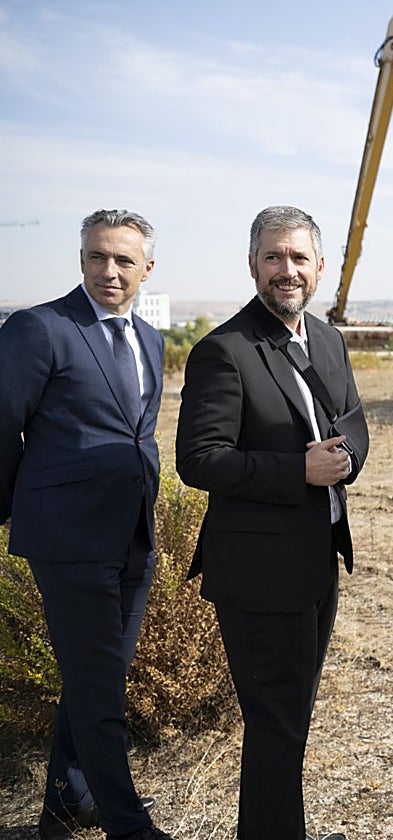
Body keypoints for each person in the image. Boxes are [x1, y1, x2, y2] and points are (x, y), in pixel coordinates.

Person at [176, 206, 368, 840]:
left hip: (317, 564)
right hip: (258, 575)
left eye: (299, 258)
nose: (287, 270)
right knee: (276, 727)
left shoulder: (329, 339)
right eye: (273, 257)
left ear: (319, 267)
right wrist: (296, 472)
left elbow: (355, 423)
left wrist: (347, 459)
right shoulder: (224, 350)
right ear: (253, 263)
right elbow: (199, 460)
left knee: (292, 721)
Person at [0, 210, 170, 840]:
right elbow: (2, 425)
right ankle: (130, 826)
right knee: (101, 689)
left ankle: (65, 807)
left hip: (132, 535)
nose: (109, 270)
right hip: (68, 540)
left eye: (124, 260)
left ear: (146, 269)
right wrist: (12, 506)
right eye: (98, 256)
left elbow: (136, 435)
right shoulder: (38, 328)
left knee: (95, 676)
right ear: (80, 260)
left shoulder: (149, 340)